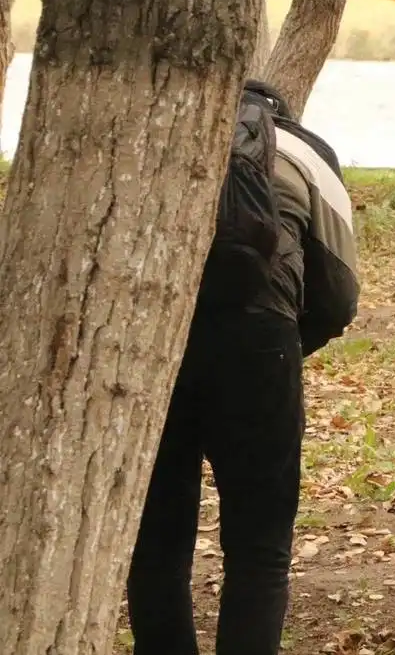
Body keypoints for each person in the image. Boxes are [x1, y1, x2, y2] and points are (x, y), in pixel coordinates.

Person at [126, 81, 359, 655]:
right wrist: (284, 345)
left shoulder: (156, 136)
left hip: (157, 346)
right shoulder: (306, 154)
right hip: (261, 341)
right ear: (282, 116)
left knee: (157, 538)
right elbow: (338, 296)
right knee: (260, 545)